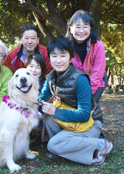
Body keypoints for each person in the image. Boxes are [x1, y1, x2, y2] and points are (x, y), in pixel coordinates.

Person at [39, 37, 113, 165]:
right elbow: (41, 99)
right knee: (49, 119)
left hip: (90, 124)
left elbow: (84, 115)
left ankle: (100, 145)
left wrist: (55, 111)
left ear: (71, 57)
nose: (58, 60)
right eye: (54, 56)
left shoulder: (80, 79)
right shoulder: (51, 78)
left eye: (63, 56)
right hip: (70, 124)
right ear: (49, 58)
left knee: (52, 145)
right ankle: (66, 145)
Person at [65, 9, 108, 103]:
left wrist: (86, 94)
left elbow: (97, 73)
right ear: (70, 28)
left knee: (89, 112)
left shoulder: (98, 46)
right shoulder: (64, 47)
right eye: (77, 27)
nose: (81, 31)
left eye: (85, 27)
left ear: (90, 29)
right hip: (72, 87)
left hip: (94, 85)